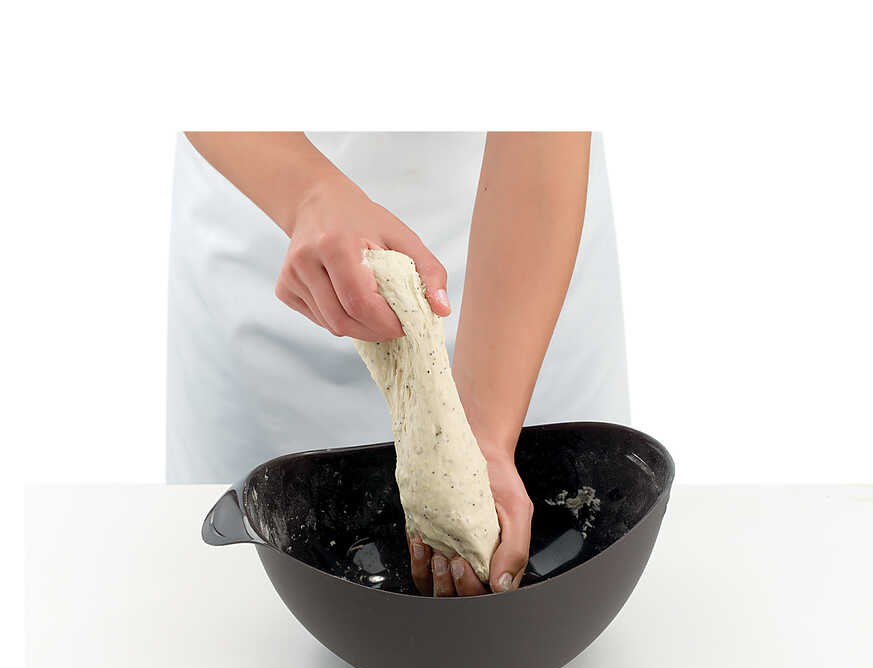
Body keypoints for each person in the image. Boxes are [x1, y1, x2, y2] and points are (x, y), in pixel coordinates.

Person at [168, 132, 630, 597]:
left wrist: (478, 445)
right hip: (262, 223)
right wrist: (306, 194)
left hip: (519, 265)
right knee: (234, 603)